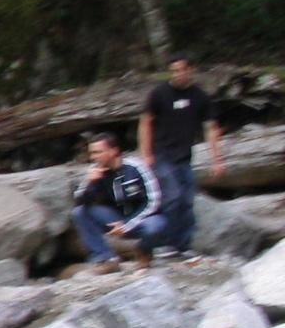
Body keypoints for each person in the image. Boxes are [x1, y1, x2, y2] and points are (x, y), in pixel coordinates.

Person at [140, 52, 224, 258]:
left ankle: (182, 246)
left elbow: (211, 128)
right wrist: (146, 153)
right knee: (174, 196)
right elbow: (145, 123)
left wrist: (216, 160)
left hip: (184, 157)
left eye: (181, 70)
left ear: (191, 70)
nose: (177, 75)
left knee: (187, 200)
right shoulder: (159, 94)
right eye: (173, 71)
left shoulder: (200, 97)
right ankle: (165, 243)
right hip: (161, 154)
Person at [72, 131, 168, 272]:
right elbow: (79, 201)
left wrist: (127, 225)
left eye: (98, 152)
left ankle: (144, 251)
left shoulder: (136, 167)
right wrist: (89, 183)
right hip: (114, 218)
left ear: (114, 151)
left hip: (142, 219)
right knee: (79, 212)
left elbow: (154, 200)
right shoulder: (95, 170)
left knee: (156, 226)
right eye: (92, 153)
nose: (93, 157)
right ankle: (105, 259)